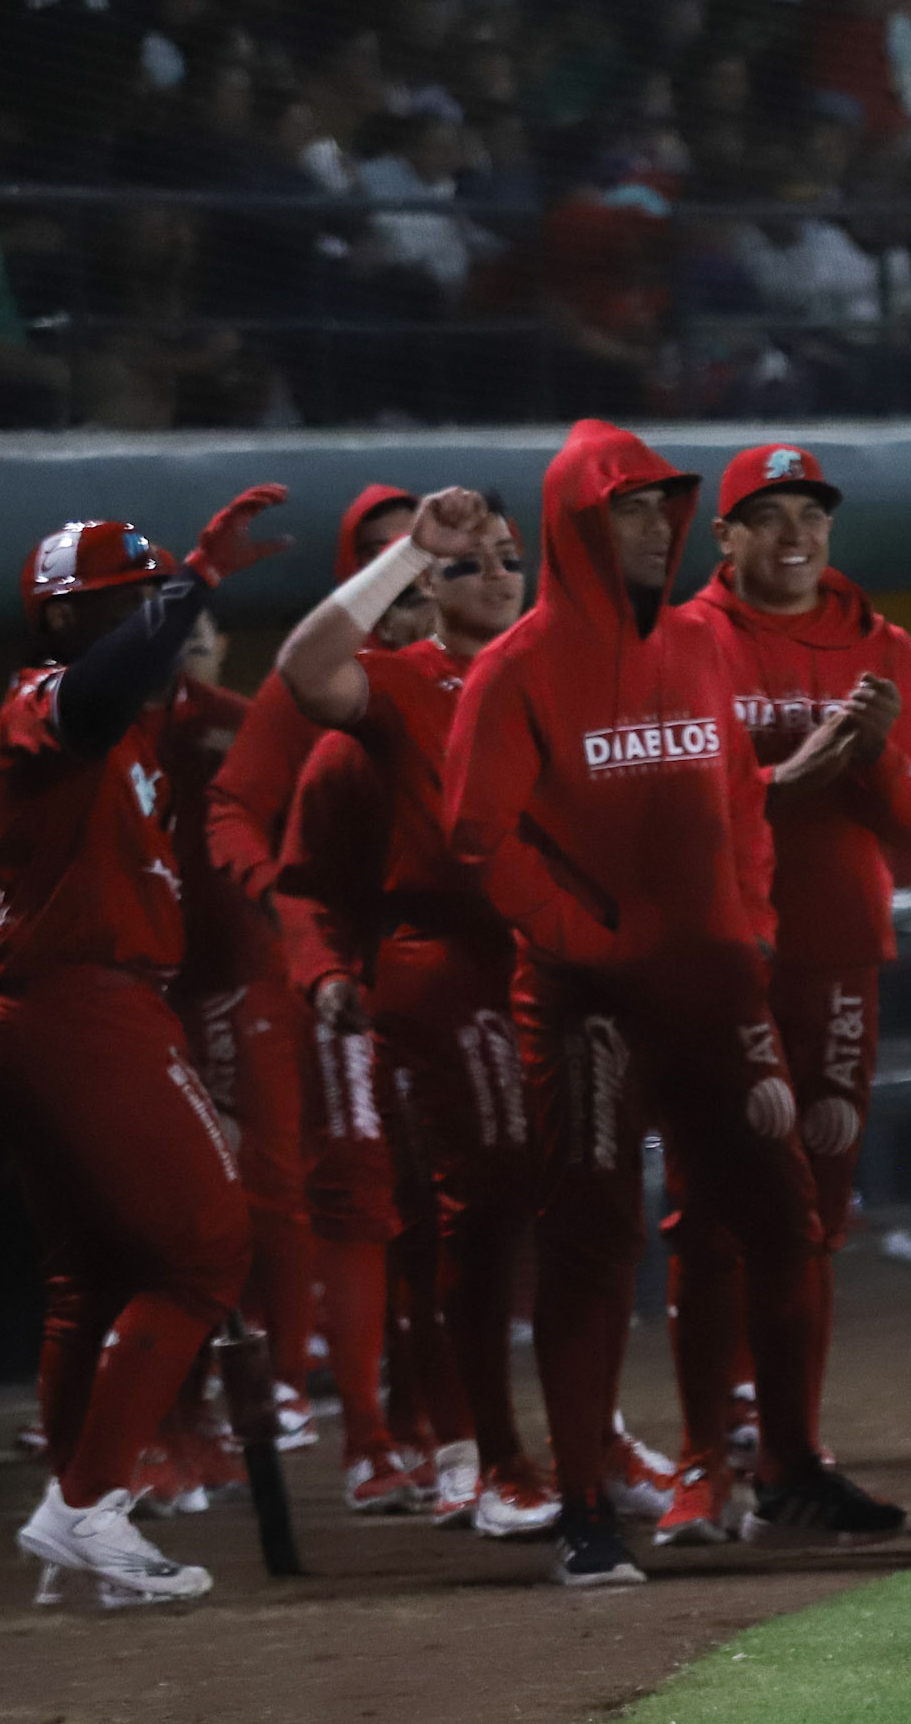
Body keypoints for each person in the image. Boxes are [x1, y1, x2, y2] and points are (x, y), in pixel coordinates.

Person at [443, 422, 904, 1587]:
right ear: (577, 525)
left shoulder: (702, 644)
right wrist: (588, 942)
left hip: (715, 995)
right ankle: (589, 1503)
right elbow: (477, 838)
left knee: (787, 1224)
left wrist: (747, 922)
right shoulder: (516, 667)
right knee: (591, 1246)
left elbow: (741, 800)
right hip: (590, 1010)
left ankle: (789, 1464)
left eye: (666, 508)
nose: (656, 528)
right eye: (630, 511)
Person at [274, 488, 620, 1536]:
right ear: (424, 589)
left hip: (567, 959)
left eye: (510, 558)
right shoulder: (396, 685)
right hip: (447, 967)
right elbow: (303, 672)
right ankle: (495, 1454)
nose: (500, 575)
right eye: (470, 566)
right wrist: (410, 553)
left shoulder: (563, 678)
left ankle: (580, 1440)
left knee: (587, 1206)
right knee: (494, 1201)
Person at [0, 488, 289, 1608]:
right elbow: (97, 691)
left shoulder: (141, 708)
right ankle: (87, 1504)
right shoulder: (47, 693)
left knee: (93, 1279)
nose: (150, 617)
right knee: (208, 1245)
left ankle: (77, 1520)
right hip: (76, 1002)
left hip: (61, 1005)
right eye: (127, 601)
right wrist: (192, 579)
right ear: (62, 617)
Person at [661, 445, 911, 1544]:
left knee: (811, 1221)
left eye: (812, 513)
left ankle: (789, 1452)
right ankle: (703, 1459)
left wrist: (871, 758)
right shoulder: (681, 640)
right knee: (706, 1215)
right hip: (717, 957)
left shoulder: (885, 645)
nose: (796, 534)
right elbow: (660, 789)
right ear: (723, 537)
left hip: (830, 959)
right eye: (768, 514)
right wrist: (780, 770)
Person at [207, 484, 423, 1430]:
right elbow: (233, 808)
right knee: (354, 1193)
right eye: (388, 552)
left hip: (467, 969)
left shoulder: (492, 666)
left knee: (464, 1200)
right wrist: (285, 904)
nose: (411, 568)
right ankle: (374, 1435)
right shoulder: (322, 685)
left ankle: (451, 1432)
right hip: (351, 974)